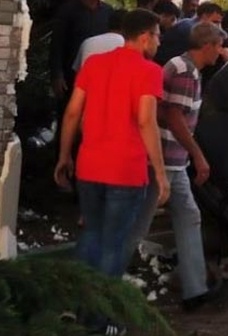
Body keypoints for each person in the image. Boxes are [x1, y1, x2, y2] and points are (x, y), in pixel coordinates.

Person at [53, 9, 170, 335]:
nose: (160, 42)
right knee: (113, 244)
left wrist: (64, 155)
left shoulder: (95, 64)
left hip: (89, 166)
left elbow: (74, 111)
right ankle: (98, 320)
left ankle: (74, 307)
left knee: (91, 235)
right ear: (145, 36)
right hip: (125, 171)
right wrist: (160, 173)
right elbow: (146, 120)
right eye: (158, 35)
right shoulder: (150, 71)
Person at [124, 21, 227, 313]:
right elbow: (174, 117)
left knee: (149, 220)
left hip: (168, 158)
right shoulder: (185, 72)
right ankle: (193, 290)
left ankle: (193, 289)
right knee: (170, 217)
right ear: (206, 46)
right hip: (169, 158)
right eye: (218, 46)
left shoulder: (181, 66)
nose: (220, 52)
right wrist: (198, 154)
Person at [49, 0, 113, 152]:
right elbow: (57, 44)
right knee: (68, 119)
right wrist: (57, 75)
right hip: (71, 77)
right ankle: (63, 162)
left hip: (100, 80)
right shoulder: (68, 10)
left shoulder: (108, 11)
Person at [154, 2, 223, 65]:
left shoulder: (188, 23)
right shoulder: (190, 30)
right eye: (215, 22)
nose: (217, 27)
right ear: (204, 16)